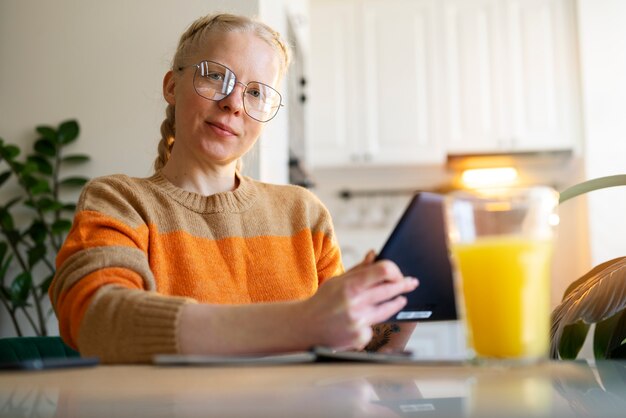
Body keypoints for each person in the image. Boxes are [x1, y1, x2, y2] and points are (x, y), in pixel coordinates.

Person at [49, 13, 418, 363]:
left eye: (256, 93)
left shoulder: (303, 213)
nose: (234, 104)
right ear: (172, 86)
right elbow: (96, 316)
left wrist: (405, 299)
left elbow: (351, 351)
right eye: (215, 76)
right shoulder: (119, 201)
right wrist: (300, 322)